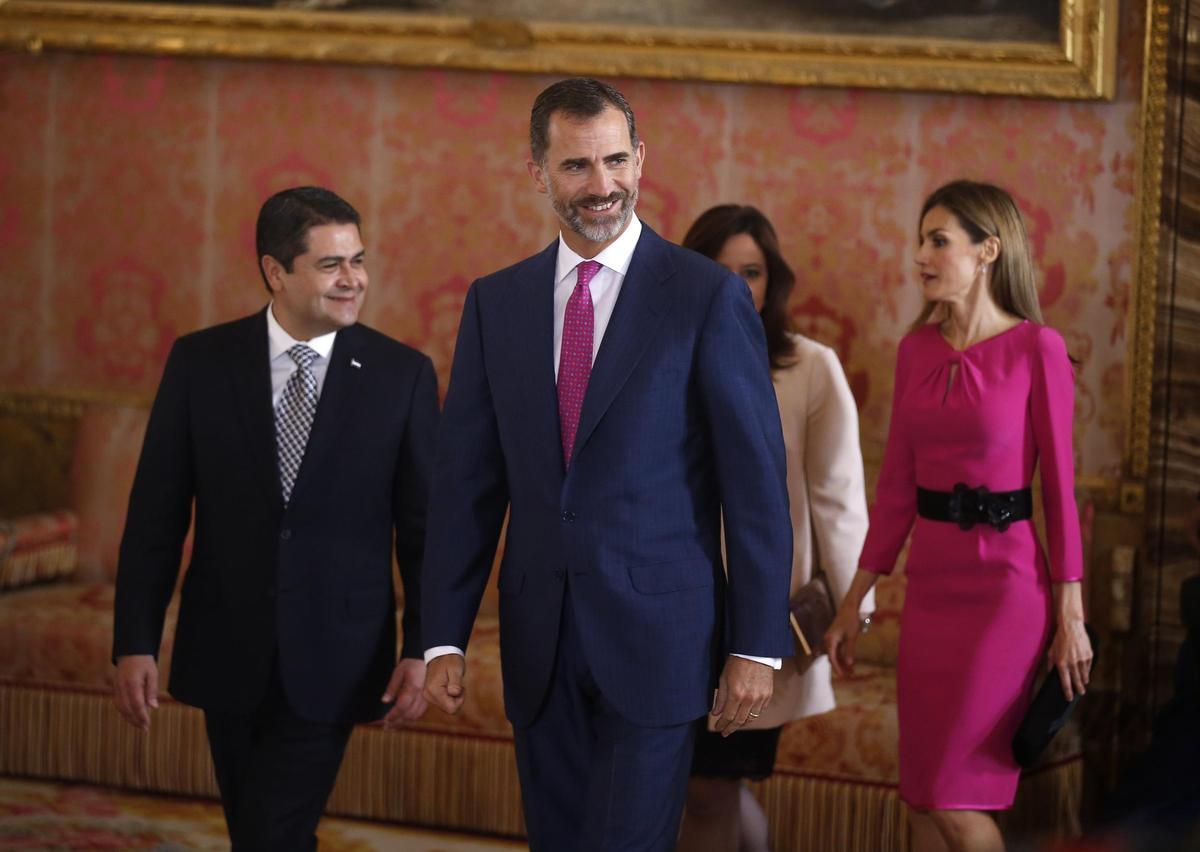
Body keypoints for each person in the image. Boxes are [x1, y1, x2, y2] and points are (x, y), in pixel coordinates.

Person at [419, 78, 793, 852]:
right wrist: (442, 636)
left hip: (661, 640)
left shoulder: (705, 297)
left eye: (616, 161)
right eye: (577, 167)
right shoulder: (498, 302)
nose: (602, 186)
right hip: (539, 643)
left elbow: (754, 487)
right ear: (537, 171)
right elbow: (467, 488)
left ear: (641, 159)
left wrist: (754, 646)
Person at [111, 186, 439, 850]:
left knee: (270, 832)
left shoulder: (400, 375)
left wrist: (422, 648)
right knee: (258, 828)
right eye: (330, 265)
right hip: (226, 645)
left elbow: (425, 531)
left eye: (359, 260)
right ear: (274, 271)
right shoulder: (200, 363)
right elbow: (156, 515)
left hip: (338, 652)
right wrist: (135, 641)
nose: (355, 280)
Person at [825, 179, 1094, 852]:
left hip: (1006, 596)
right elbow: (894, 493)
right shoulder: (914, 350)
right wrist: (853, 603)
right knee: (920, 794)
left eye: (937, 241)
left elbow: (1060, 493)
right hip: (931, 594)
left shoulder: (1039, 349)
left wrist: (1071, 617)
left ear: (988, 251)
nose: (920, 255)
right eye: (920, 240)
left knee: (953, 796)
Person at [675, 205, 871, 852]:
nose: (736, 287)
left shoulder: (809, 367)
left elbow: (838, 497)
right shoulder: (659, 360)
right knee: (689, 785)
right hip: (667, 607)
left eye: (751, 272)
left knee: (712, 786)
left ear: (771, 280)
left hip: (760, 619)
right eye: (719, 271)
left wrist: (852, 610)